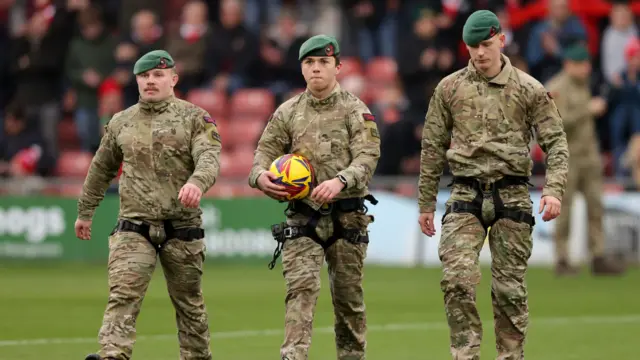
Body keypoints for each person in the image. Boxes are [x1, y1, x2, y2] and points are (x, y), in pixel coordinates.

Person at [417, 10, 569, 360]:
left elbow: (556, 143)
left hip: (512, 194)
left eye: (486, 44)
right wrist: (426, 202)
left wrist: (553, 189)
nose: (479, 53)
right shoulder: (450, 88)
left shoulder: (529, 89)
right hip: (465, 194)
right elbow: (433, 146)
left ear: (501, 40)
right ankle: (465, 354)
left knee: (508, 291)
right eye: (472, 46)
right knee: (456, 280)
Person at [76, 50, 221, 360]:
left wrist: (197, 183)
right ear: (137, 80)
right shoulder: (121, 121)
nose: (151, 81)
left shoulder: (196, 117)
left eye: (158, 75)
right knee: (123, 294)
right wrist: (85, 211)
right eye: (144, 76)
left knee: (189, 304)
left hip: (182, 227)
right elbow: (101, 169)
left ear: (173, 79)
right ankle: (113, 354)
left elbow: (209, 156)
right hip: (134, 225)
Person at [248, 34, 381, 360]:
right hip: (302, 217)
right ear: (302, 68)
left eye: (323, 62)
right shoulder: (288, 112)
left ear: (338, 67)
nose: (316, 69)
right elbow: (261, 156)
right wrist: (260, 177)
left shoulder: (355, 109)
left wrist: (340, 181)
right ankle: (293, 356)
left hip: (347, 216)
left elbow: (368, 156)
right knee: (300, 291)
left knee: (348, 299)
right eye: (310, 63)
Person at [546, 43, 626, 276]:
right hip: (566, 158)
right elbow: (555, 122)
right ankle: (562, 259)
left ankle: (598, 256)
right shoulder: (557, 87)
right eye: (581, 64)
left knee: (596, 207)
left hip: (589, 156)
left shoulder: (584, 85)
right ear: (569, 64)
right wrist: (587, 110)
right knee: (564, 209)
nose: (587, 68)